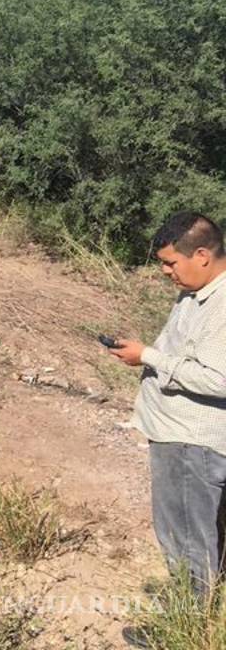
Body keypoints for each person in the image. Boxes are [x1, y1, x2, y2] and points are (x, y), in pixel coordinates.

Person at [110, 212, 226, 598]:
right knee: (198, 531)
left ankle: (187, 621)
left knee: (186, 534)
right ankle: (202, 607)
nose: (164, 271)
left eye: (171, 262)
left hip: (193, 442)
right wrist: (143, 353)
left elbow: (220, 379)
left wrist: (149, 357)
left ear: (203, 255)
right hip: (177, 435)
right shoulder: (196, 293)